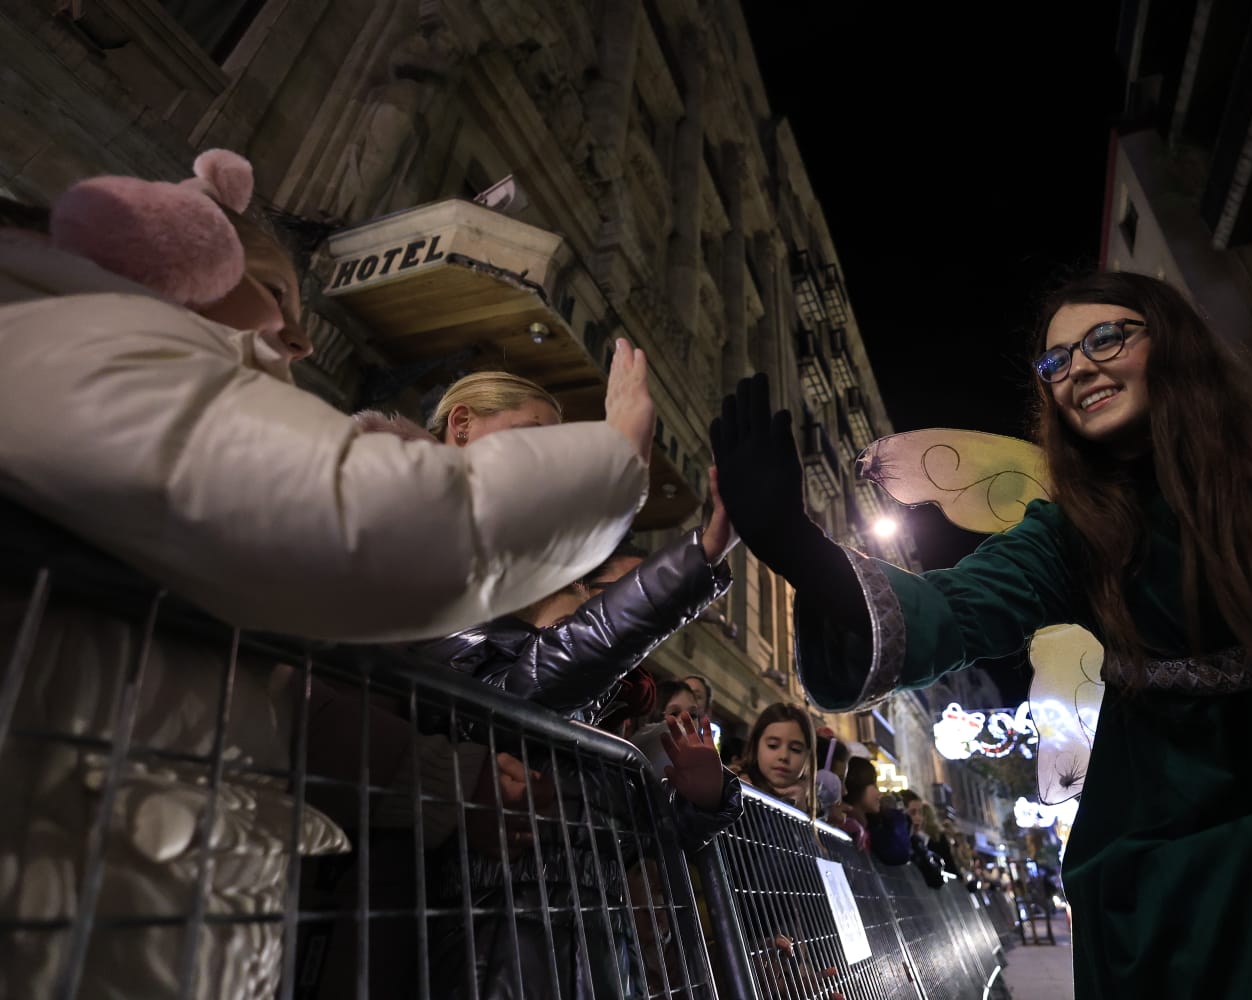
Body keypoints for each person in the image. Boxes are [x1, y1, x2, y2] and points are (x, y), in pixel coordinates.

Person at [710, 270, 1252, 998]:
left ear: (1175, 343)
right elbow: (953, 610)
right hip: (1191, 877)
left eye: (1105, 339)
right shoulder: (1069, 534)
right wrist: (798, 548)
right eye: (1055, 363)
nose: (1078, 369)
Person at [0, 152, 654, 1000]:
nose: (302, 338)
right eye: (276, 292)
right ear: (172, 249)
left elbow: (283, 692)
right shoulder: (81, 338)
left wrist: (443, 781)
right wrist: (614, 457)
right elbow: (385, 525)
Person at [404, 372, 743, 1000]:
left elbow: (630, 831)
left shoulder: (593, 697)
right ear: (462, 425)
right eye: (532, 436)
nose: (545, 462)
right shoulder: (426, 554)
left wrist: (704, 800)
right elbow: (519, 692)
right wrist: (700, 551)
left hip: (596, 939)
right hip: (499, 924)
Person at [739, 703, 813, 812]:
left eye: (795, 749)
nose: (784, 756)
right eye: (773, 745)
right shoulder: (732, 790)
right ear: (756, 746)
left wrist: (801, 812)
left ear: (807, 756)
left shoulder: (815, 808)